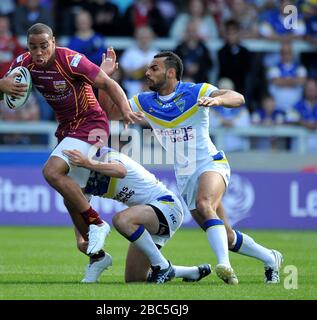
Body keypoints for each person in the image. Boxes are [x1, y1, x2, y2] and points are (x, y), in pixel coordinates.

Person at [99, 48, 284, 285]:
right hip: (185, 176)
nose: (147, 72)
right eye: (148, 68)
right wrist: (104, 80)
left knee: (204, 203)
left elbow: (238, 98)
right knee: (226, 236)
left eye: (154, 68)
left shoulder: (195, 91)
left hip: (210, 163)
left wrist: (217, 99)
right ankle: (271, 258)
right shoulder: (144, 101)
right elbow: (110, 112)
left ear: (171, 72)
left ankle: (225, 266)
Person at [0, 23, 143, 257]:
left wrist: (125, 110)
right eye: (33, 47)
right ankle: (98, 257)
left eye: (44, 46)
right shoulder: (24, 63)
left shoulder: (71, 60)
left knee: (51, 172)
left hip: (91, 123)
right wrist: (0, 85)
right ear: (28, 46)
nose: (39, 52)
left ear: (53, 42)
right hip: (67, 129)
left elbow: (108, 83)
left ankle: (98, 224)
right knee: (72, 202)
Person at [63, 147, 211, 284]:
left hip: (167, 206)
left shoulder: (102, 154)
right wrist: (81, 240)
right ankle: (191, 272)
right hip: (147, 219)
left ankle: (162, 266)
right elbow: (80, 207)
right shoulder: (81, 177)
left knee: (121, 220)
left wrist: (88, 163)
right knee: (134, 279)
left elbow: (121, 171)